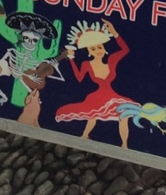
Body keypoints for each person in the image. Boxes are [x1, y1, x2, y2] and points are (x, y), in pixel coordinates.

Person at [54, 19, 135, 147]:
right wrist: (71, 58)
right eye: (93, 48)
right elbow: (79, 78)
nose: (98, 50)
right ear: (89, 51)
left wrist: (114, 33)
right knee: (92, 115)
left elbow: (125, 49)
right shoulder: (87, 64)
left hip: (112, 97)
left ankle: (124, 145)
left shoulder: (111, 60)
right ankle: (84, 135)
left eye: (100, 47)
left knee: (123, 116)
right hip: (98, 96)